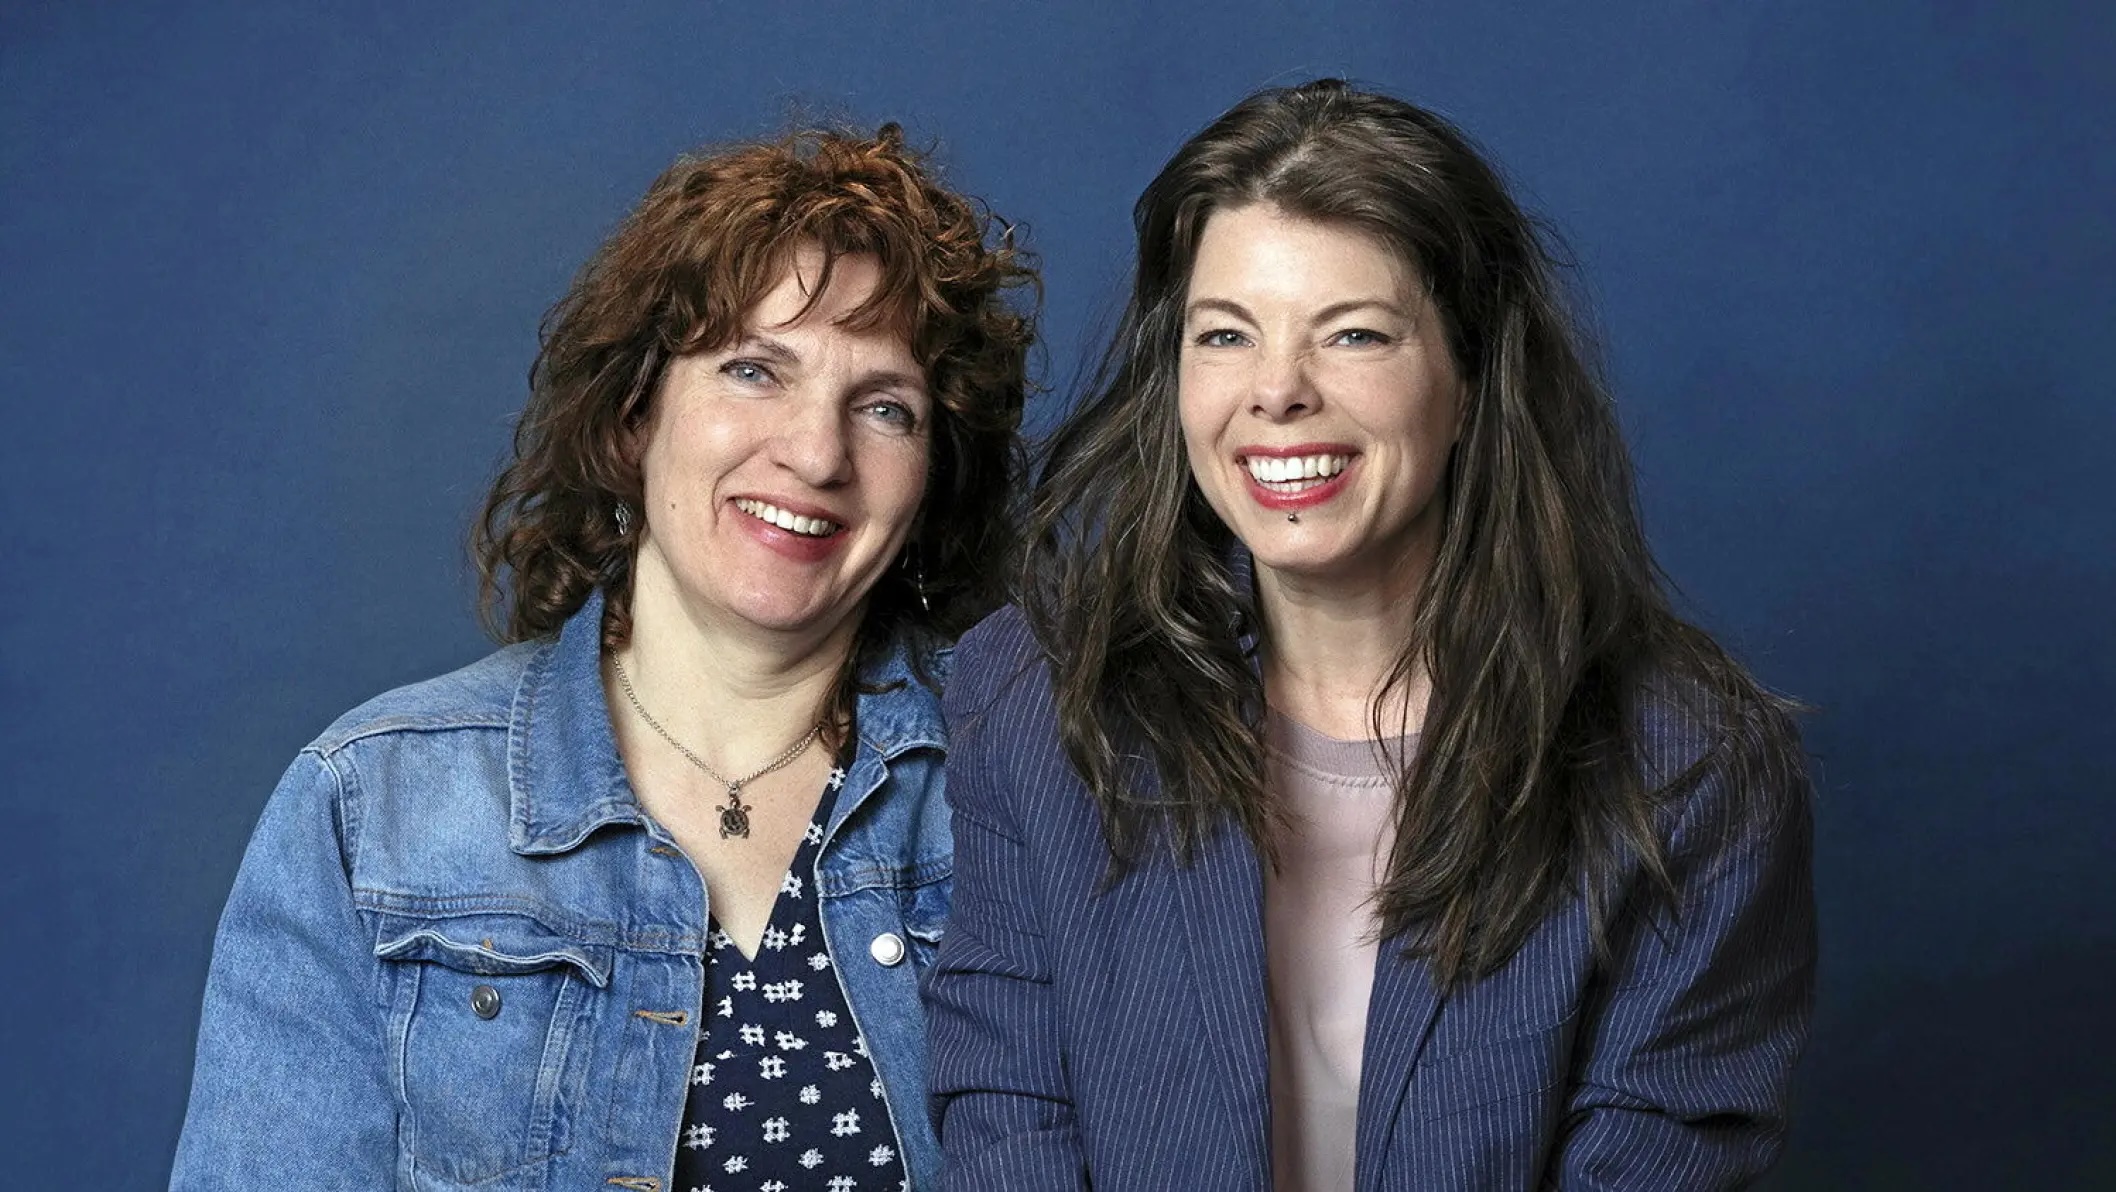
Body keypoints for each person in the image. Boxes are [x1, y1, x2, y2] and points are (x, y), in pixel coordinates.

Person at [927, 79, 1815, 1190]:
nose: (1277, 392)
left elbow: (1657, 1151)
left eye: (1352, 333)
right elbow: (1008, 1102)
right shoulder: (1035, 693)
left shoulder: (1689, 762)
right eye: (1225, 335)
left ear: (1470, 375)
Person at [172, 124, 1034, 1191]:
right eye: (753, 370)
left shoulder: (1026, 775)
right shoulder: (370, 810)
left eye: (886, 407)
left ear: (933, 471)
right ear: (633, 418)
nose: (818, 452)